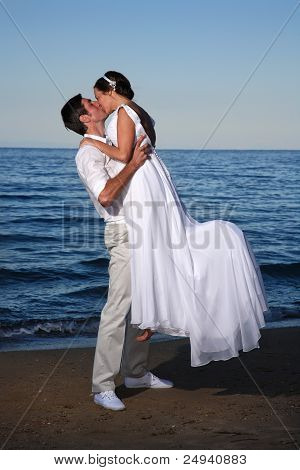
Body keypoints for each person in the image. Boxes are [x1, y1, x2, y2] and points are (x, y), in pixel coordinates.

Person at [81, 71, 269, 368]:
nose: (99, 102)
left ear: (111, 91)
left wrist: (91, 144)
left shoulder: (122, 113)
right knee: (161, 248)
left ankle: (153, 317)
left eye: (99, 96)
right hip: (151, 179)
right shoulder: (138, 111)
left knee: (157, 247)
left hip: (143, 181)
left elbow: (123, 154)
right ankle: (153, 316)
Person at [60, 94, 174, 412]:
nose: (99, 105)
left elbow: (148, 126)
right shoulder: (87, 154)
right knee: (117, 309)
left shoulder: (112, 138)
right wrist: (134, 165)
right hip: (123, 231)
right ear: (85, 118)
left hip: (145, 227)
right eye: (91, 103)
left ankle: (136, 374)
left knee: (144, 304)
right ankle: (102, 386)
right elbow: (107, 195)